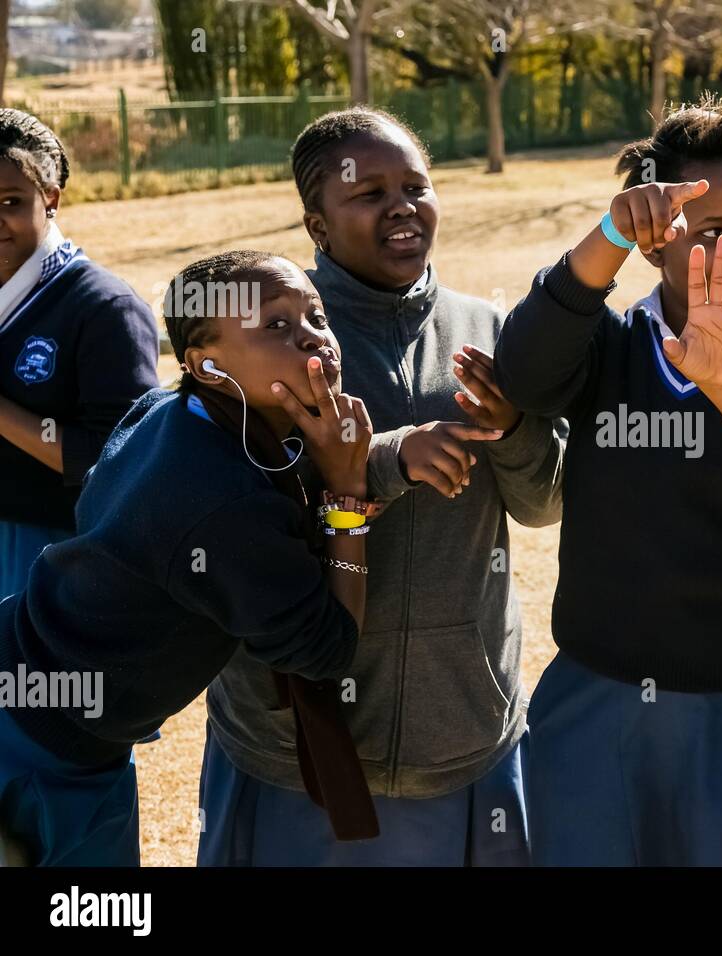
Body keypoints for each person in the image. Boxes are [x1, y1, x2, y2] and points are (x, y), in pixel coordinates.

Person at [494, 92, 722, 866]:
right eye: (713, 230)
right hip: (601, 698)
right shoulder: (605, 349)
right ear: (659, 242)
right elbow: (524, 373)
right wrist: (608, 234)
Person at [197, 107, 564, 867]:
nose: (400, 205)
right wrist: (394, 459)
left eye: (416, 185)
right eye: (367, 193)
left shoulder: (488, 330)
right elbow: (252, 502)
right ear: (317, 225)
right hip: (300, 745)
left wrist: (517, 427)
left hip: (459, 732)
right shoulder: (276, 339)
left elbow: (542, 503)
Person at [0, 251, 374, 865]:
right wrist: (347, 497)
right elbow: (326, 650)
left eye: (316, 314)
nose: (313, 335)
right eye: (275, 325)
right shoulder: (221, 500)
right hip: (52, 749)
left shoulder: (164, 412)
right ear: (207, 364)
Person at [0, 109, 158, 597]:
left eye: (9, 200)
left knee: (28, 677)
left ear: (50, 198)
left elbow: (123, 463)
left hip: (52, 555)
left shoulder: (105, 307)